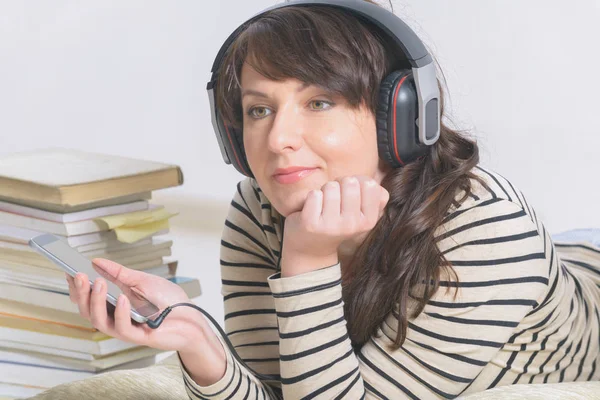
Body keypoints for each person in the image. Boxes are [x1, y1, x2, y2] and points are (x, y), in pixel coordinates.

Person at [64, 1, 600, 399]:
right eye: (258, 109)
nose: (277, 140)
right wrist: (199, 342)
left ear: (403, 115)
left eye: (319, 101)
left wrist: (308, 259)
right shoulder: (258, 210)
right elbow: (281, 390)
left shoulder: (485, 229)